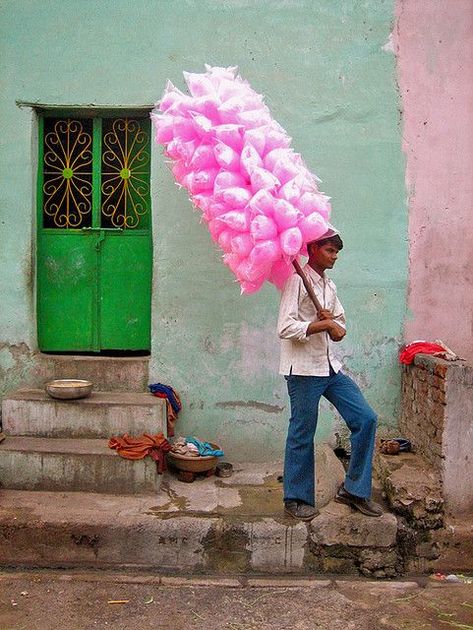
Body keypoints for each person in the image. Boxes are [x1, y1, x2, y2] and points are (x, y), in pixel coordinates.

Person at [277, 226, 382, 521]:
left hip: (330, 368)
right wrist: (321, 325)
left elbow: (340, 326)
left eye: (336, 252)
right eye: (330, 250)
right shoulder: (297, 281)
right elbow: (285, 328)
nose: (335, 257)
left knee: (365, 418)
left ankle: (355, 490)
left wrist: (334, 328)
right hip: (304, 371)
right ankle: (296, 499)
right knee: (302, 431)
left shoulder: (329, 287)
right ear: (312, 249)